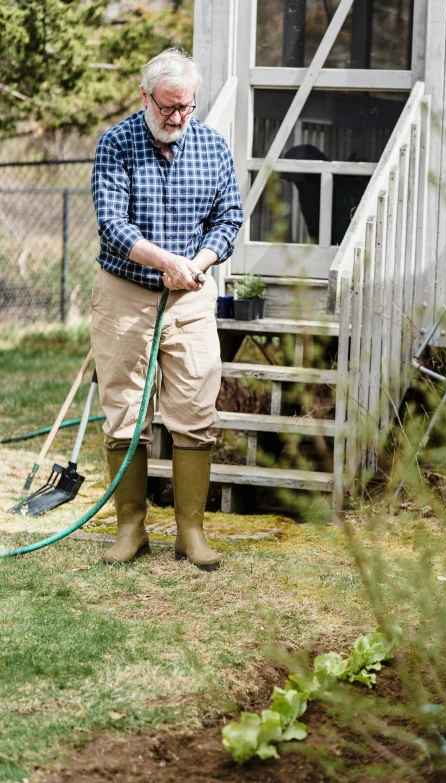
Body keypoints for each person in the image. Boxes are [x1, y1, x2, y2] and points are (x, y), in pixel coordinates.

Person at [91, 48, 243, 570]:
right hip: (126, 294)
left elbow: (229, 218)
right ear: (145, 97)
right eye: (168, 107)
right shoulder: (116, 144)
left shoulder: (213, 146)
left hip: (191, 296)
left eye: (186, 106)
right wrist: (164, 261)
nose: (177, 117)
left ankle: (190, 533)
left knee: (196, 409)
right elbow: (112, 225)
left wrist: (195, 263)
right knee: (126, 411)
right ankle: (131, 529)